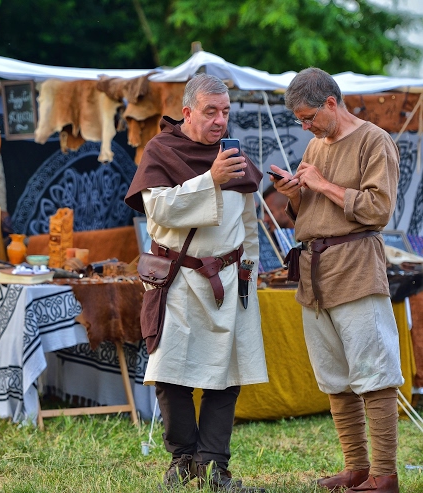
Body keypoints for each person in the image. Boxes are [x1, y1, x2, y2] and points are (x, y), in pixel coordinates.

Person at [125, 73, 268, 492]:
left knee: (228, 376)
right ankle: (183, 459)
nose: (220, 120)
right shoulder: (161, 150)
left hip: (230, 279)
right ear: (188, 112)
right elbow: (158, 211)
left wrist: (249, 270)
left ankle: (214, 466)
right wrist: (210, 180)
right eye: (210, 112)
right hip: (180, 281)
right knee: (171, 374)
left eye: (225, 112)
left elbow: (247, 221)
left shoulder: (232, 155)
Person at [270, 67, 403, 493]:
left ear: (331, 102)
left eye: (308, 117)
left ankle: (385, 475)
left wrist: (322, 184)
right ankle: (356, 468)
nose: (305, 127)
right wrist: (295, 196)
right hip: (315, 271)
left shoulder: (374, 141)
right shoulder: (315, 145)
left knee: (374, 374)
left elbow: (378, 210)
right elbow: (310, 214)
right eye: (299, 121)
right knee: (334, 378)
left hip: (357, 267)